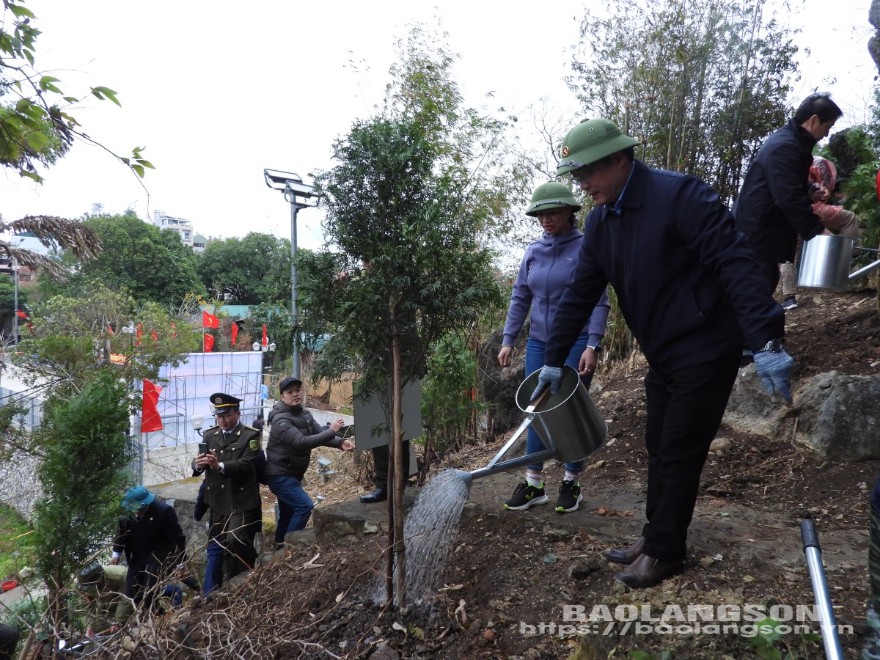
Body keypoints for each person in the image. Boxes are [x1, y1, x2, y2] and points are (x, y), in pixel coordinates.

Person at [531, 117, 792, 589]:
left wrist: (766, 336)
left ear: (620, 159)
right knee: (658, 443)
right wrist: (554, 357)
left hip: (708, 343)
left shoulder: (679, 197)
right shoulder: (602, 223)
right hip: (664, 352)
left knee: (679, 447)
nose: (582, 184)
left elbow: (736, 262)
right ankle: (654, 537)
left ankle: (666, 550)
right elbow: (580, 292)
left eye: (588, 171)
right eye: (577, 175)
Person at [497, 181, 610, 513]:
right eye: (541, 214)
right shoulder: (533, 251)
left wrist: (593, 344)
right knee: (535, 410)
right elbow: (520, 297)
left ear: (569, 212)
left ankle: (571, 482)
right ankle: (534, 485)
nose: (546, 219)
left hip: (577, 340)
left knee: (567, 409)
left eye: (553, 212)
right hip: (539, 342)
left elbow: (599, 301)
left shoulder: (586, 247)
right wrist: (507, 340)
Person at [734, 93, 842, 299]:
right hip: (756, 233)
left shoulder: (790, 141)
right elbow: (787, 197)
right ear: (813, 120)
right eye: (827, 127)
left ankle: (757, 330)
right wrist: (817, 230)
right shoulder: (785, 147)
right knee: (756, 291)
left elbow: (785, 182)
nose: (826, 135)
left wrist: (810, 190)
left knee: (763, 285)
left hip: (760, 233)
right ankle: (754, 331)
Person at [264, 376, 354, 544]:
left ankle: (279, 546)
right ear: (282, 396)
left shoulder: (304, 414)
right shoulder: (280, 420)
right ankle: (290, 546)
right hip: (280, 476)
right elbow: (301, 442)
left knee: (288, 512)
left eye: (298, 390)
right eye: (289, 392)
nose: (295, 394)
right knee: (304, 506)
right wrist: (332, 430)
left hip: (292, 474)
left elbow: (319, 434)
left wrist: (341, 442)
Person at [191, 393, 262, 593]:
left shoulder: (250, 435)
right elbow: (199, 461)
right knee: (219, 547)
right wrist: (197, 465)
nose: (222, 420)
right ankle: (229, 583)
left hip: (240, 500)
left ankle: (251, 571)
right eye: (219, 416)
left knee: (236, 539)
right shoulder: (209, 435)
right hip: (217, 501)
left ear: (237, 413)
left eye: (227, 415)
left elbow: (248, 463)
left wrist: (219, 465)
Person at [779, 155, 861, 310]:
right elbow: (823, 192)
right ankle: (850, 257)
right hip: (810, 211)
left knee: (787, 254)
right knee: (848, 218)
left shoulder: (781, 167)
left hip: (786, 216)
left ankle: (789, 297)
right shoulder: (816, 165)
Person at [111, 486, 187, 615]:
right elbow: (121, 534)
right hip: (138, 553)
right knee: (132, 590)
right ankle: (149, 615)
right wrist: (116, 553)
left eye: (141, 510)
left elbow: (177, 538)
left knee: (150, 590)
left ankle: (156, 616)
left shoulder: (164, 511)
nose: (139, 513)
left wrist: (180, 563)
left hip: (159, 553)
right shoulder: (125, 515)